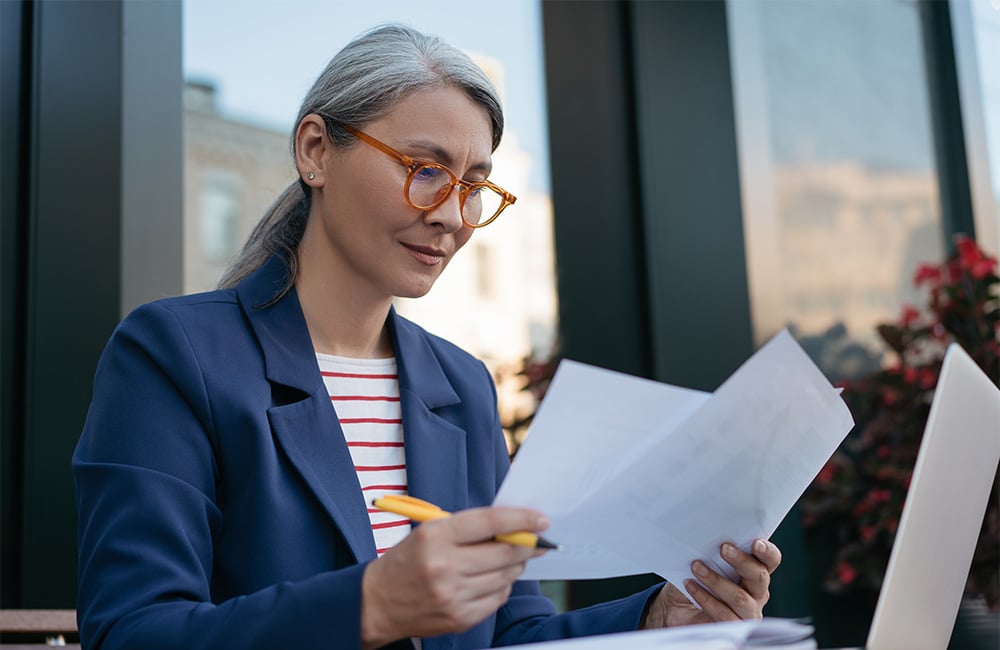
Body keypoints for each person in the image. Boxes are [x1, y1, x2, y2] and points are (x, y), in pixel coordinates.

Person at [73, 23, 781, 650]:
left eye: (473, 184)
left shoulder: (461, 385)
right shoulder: (174, 354)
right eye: (425, 170)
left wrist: (658, 619)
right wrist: (372, 605)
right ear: (316, 150)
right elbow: (133, 630)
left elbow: (509, 629)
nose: (454, 216)